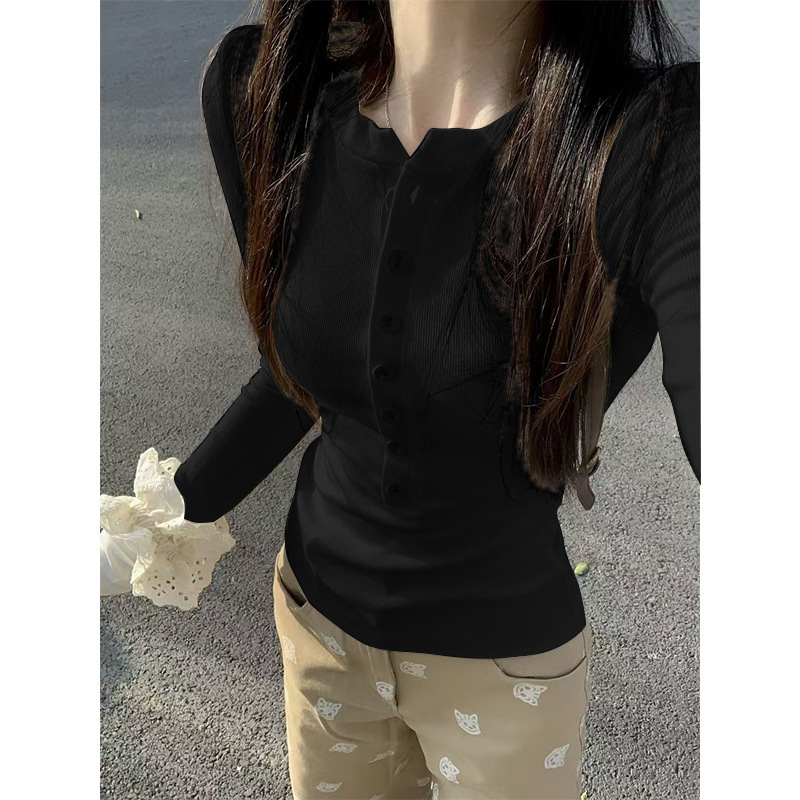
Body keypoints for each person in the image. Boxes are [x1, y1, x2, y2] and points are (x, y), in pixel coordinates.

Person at [165, 1, 699, 797]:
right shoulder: (274, 89)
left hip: (505, 673)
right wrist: (166, 513)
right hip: (317, 628)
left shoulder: (655, 145)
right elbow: (304, 377)